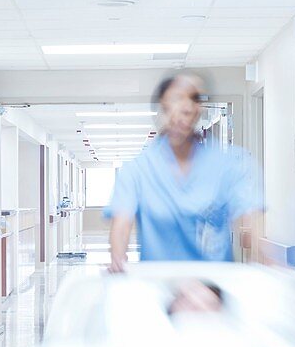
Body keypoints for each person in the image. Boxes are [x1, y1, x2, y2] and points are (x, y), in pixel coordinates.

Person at [105, 71, 262, 272]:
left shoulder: (227, 165)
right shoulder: (137, 171)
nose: (187, 107)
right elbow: (122, 221)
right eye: (178, 98)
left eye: (195, 98)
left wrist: (262, 257)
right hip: (160, 284)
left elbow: (249, 215)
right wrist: (118, 259)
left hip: (213, 288)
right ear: (163, 106)